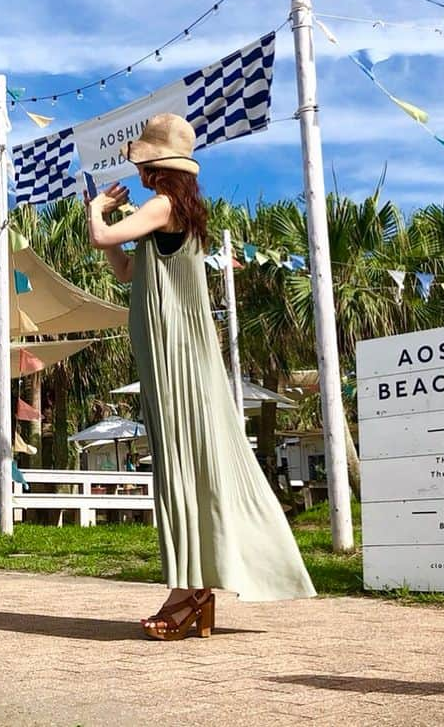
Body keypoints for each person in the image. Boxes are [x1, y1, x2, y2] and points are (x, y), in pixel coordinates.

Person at [85, 113, 315, 641]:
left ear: (154, 168)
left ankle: (188, 592)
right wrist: (114, 227)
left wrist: (98, 209)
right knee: (188, 461)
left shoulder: (162, 206)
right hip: (172, 350)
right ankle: (194, 590)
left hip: (177, 354)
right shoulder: (173, 211)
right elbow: (124, 268)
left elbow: (100, 237)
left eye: (141, 162)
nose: (137, 170)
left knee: (182, 464)